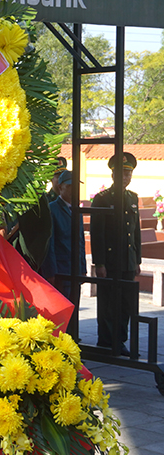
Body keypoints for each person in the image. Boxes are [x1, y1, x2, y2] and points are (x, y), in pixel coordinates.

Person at [91, 152, 142, 356]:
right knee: (108, 303)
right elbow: (97, 233)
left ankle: (120, 340)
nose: (125, 177)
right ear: (113, 175)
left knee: (126, 304)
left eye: (128, 174)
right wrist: (100, 263)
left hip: (128, 261)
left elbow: (135, 232)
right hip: (110, 261)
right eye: (121, 173)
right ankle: (106, 341)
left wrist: (137, 260)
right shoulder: (102, 199)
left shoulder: (132, 198)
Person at [46, 170, 86, 299]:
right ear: (60, 187)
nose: (74, 190)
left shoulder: (77, 210)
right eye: (69, 186)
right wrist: (51, 273)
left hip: (74, 270)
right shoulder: (52, 209)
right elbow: (49, 245)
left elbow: (81, 241)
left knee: (74, 309)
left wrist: (83, 268)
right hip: (60, 270)